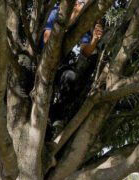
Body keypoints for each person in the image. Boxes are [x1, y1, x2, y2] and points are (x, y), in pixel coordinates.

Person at [42, 0, 104, 130]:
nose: (81, 6)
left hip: (61, 66)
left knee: (72, 78)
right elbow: (47, 40)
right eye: (80, 3)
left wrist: (94, 40)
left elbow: (85, 52)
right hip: (41, 62)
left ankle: (55, 116)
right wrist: (72, 17)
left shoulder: (82, 24)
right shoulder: (55, 12)